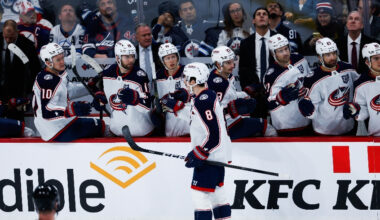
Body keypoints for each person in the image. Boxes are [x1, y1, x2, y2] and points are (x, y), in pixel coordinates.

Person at [181, 62, 231, 220]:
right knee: (218, 196)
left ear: (194, 80)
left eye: (186, 78)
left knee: (199, 195)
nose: (184, 80)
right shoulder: (207, 96)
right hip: (216, 157)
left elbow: (214, 134)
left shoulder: (203, 101)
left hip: (209, 159)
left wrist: (199, 153)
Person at [32, 43, 106, 142]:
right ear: (48, 62)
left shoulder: (55, 74)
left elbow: (68, 91)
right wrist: (70, 110)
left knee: (96, 125)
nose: (62, 62)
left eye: (62, 58)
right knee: (101, 126)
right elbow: (47, 112)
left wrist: (89, 87)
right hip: (56, 129)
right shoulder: (47, 80)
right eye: (58, 60)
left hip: (59, 124)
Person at [208, 45, 277, 139]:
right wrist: (230, 110)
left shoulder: (224, 75)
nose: (233, 65)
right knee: (265, 126)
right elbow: (212, 110)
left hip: (230, 122)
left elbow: (229, 96)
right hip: (226, 127)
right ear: (219, 64)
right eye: (228, 63)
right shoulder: (217, 83)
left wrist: (246, 93)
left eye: (232, 61)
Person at [299, 37, 359, 135]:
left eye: (334, 53)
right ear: (319, 57)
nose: (333, 57)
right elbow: (311, 112)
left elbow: (359, 90)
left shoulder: (348, 69)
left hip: (349, 129)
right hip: (324, 132)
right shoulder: (313, 79)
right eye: (328, 55)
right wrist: (307, 110)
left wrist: (357, 106)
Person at [102, 39, 154, 137]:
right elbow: (98, 87)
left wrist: (136, 99)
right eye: (127, 57)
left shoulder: (140, 75)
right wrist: (99, 96)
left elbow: (147, 106)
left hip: (140, 131)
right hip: (115, 131)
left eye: (132, 56)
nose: (131, 60)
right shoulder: (108, 72)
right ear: (117, 58)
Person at [264, 34, 312, 136]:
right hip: (286, 126)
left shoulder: (300, 59)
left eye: (286, 49)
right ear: (273, 53)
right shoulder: (271, 75)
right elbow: (269, 103)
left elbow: (309, 81)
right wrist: (281, 98)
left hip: (307, 120)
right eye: (280, 51)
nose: (285, 53)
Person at [238, 7, 276, 119]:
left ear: (269, 20)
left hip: (276, 90)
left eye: (265, 14)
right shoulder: (245, 43)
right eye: (258, 14)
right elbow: (243, 70)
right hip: (255, 93)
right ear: (253, 21)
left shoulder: (278, 40)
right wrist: (250, 90)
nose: (262, 16)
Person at [0, 19, 40, 121]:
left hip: (18, 94)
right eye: (6, 37)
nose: (8, 40)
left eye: (12, 37)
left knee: (15, 125)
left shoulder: (27, 45)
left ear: (17, 32)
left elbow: (35, 70)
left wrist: (26, 94)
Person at [344, 42, 380, 136]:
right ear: (367, 62)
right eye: (376, 58)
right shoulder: (361, 83)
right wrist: (355, 111)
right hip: (375, 136)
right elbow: (363, 112)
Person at [156, 43, 190, 137]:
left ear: (178, 57)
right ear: (162, 61)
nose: (171, 60)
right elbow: (160, 100)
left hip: (189, 122)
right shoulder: (159, 75)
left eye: (173, 57)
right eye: (167, 58)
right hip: (171, 125)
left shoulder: (188, 71)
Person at [135, 23, 162, 88]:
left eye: (149, 34)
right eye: (144, 35)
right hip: (139, 88)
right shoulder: (132, 52)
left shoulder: (160, 49)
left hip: (160, 87)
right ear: (137, 38)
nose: (148, 37)